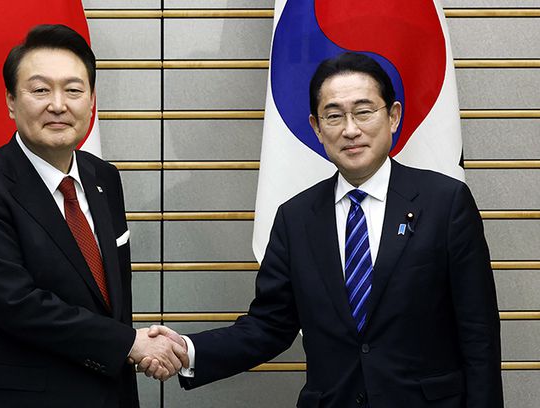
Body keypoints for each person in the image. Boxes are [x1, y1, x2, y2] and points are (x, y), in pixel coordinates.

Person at [146, 52, 503, 407]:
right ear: (317, 128)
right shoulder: (296, 218)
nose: (350, 129)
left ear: (393, 116)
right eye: (334, 116)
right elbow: (269, 326)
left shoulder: (445, 203)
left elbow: (479, 335)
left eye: (364, 111)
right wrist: (186, 350)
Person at [0, 24, 186, 408]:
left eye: (73, 90)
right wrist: (130, 344)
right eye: (40, 90)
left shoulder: (103, 177)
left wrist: (130, 348)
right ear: (10, 101)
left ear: (91, 101)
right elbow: (17, 304)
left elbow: (109, 303)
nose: (58, 105)